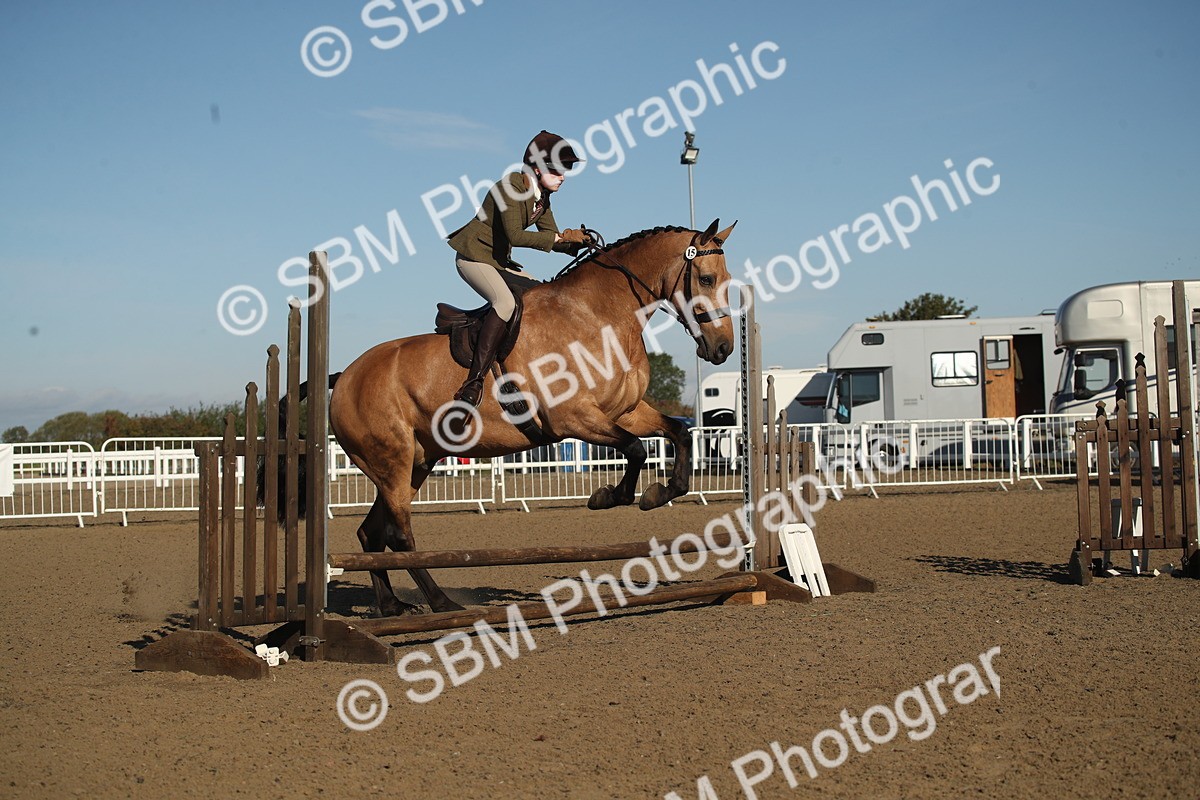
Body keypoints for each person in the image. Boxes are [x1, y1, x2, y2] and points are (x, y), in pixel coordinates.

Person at [446, 130, 590, 406]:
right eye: (558, 170)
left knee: (544, 296)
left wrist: (576, 244)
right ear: (536, 168)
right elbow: (515, 235)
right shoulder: (509, 187)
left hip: (499, 262)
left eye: (566, 170)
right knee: (505, 303)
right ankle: (473, 383)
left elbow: (552, 235)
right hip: (473, 258)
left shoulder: (543, 198)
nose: (563, 176)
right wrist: (558, 239)